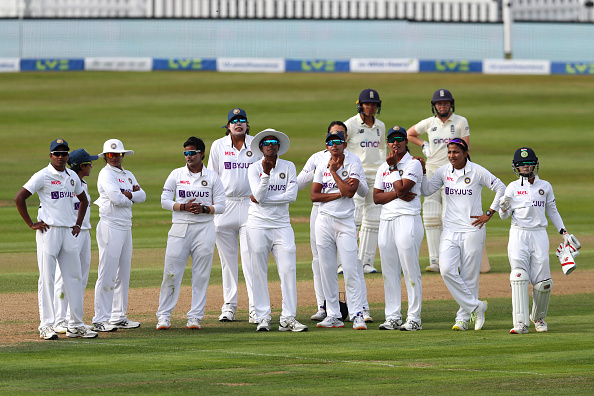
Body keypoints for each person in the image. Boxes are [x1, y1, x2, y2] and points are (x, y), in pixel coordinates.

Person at [14, 139, 97, 339]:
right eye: (56, 153)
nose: (60, 157)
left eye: (64, 153)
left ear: (68, 156)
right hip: (49, 232)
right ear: (50, 155)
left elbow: (83, 200)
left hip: (69, 232)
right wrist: (32, 224)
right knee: (47, 279)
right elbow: (19, 198)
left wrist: (78, 224)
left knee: (74, 278)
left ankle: (75, 324)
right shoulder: (42, 175)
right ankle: (46, 325)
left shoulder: (71, 177)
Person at [420, 138, 505, 331]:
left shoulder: (476, 171)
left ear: (465, 153)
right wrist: (423, 171)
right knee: (446, 269)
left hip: (472, 228)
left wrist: (489, 213)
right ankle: (477, 306)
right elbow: (426, 191)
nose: (451, 156)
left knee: (469, 275)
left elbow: (501, 187)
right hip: (450, 229)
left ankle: (463, 319)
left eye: (456, 152)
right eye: (449, 152)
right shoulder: (443, 171)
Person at [296, 121, 370, 322]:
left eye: (340, 137)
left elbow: (354, 191)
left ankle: (359, 313)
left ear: (346, 141)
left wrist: (335, 175)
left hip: (345, 219)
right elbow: (311, 193)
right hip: (322, 217)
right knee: (324, 267)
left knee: (351, 267)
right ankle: (330, 312)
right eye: (332, 138)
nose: (335, 141)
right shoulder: (318, 161)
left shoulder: (353, 160)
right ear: (326, 142)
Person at [500, 147, 578, 334]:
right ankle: (520, 323)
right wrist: (503, 208)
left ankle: (538, 318)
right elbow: (504, 217)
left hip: (539, 234)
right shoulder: (512, 187)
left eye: (528, 164)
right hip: (518, 234)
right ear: (516, 167)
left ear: (535, 164)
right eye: (521, 165)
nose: (525, 167)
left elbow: (552, 210)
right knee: (519, 276)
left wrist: (564, 233)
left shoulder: (545, 187)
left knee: (543, 281)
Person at [156, 137, 226, 330]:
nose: (188, 156)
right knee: (171, 272)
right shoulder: (176, 174)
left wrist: (204, 209)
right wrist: (183, 206)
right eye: (186, 153)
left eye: (192, 153)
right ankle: (163, 316)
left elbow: (221, 205)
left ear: (202, 154)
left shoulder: (212, 177)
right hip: (180, 227)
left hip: (204, 228)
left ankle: (195, 317)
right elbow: (164, 200)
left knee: (201, 274)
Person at [246, 129, 307, 332]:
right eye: (266, 143)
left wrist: (264, 200)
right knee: (258, 271)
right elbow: (259, 194)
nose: (271, 145)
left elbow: (291, 196)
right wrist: (265, 174)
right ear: (261, 147)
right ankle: (263, 317)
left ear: (278, 146)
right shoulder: (254, 168)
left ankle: (288, 318)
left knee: (288, 269)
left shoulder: (288, 166)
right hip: (258, 225)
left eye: (274, 142)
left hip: (282, 225)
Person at [407, 89, 474, 273]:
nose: (442, 106)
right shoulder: (429, 123)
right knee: (430, 216)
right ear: (434, 105)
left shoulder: (460, 121)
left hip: (453, 174)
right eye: (439, 103)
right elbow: (408, 134)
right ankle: (435, 260)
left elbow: (466, 147)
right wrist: (424, 145)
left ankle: (453, 260)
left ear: (450, 104)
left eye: (445, 103)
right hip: (432, 172)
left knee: (449, 217)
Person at [207, 108, 257, 323]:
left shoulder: (256, 144)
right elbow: (211, 176)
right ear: (228, 126)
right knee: (227, 262)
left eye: (242, 120)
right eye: (234, 121)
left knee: (251, 259)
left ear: (247, 124)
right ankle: (229, 306)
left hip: (249, 205)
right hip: (225, 205)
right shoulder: (218, 145)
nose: (238, 124)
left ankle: (256, 307)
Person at [373, 126, 424, 331]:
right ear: (388, 142)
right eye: (392, 140)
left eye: (400, 139)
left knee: (410, 270)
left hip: (407, 219)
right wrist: (397, 193)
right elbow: (377, 198)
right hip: (386, 220)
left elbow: (403, 187)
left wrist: (395, 171)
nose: (396, 143)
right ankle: (392, 316)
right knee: (389, 271)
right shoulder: (382, 167)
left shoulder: (414, 164)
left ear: (406, 141)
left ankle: (414, 318)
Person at [92, 139, 146, 332]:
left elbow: (143, 196)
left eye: (117, 154)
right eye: (110, 155)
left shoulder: (128, 175)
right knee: (107, 272)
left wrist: (129, 194)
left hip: (125, 225)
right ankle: (100, 318)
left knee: (123, 273)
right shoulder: (105, 174)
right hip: (110, 225)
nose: (114, 157)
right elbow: (116, 198)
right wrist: (131, 195)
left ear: (122, 155)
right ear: (106, 156)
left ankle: (118, 316)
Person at [53, 149, 99, 334]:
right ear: (82, 166)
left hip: (84, 231)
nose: (91, 166)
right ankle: (59, 320)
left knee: (80, 277)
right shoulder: (68, 183)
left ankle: (74, 319)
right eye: (89, 163)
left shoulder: (82, 183)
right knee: (63, 277)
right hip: (72, 232)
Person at [344, 88, 386, 274]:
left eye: (374, 104)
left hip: (376, 175)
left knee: (373, 219)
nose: (370, 107)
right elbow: (340, 148)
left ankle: (366, 262)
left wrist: (385, 170)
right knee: (354, 218)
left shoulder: (381, 126)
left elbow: (382, 149)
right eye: (367, 104)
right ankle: (346, 261)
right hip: (357, 174)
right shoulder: (350, 125)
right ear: (360, 105)